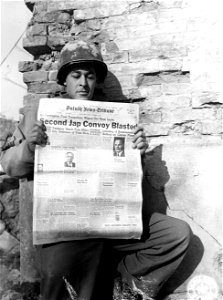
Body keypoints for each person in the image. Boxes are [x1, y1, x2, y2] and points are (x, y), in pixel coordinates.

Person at [0, 40, 192, 300]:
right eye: (76, 76)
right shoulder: (40, 115)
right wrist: (30, 148)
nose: (83, 83)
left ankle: (125, 287)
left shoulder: (114, 115)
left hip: (112, 218)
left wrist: (138, 152)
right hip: (66, 226)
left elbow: (129, 177)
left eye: (90, 77)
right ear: (64, 81)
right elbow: (10, 165)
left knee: (175, 233)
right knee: (64, 282)